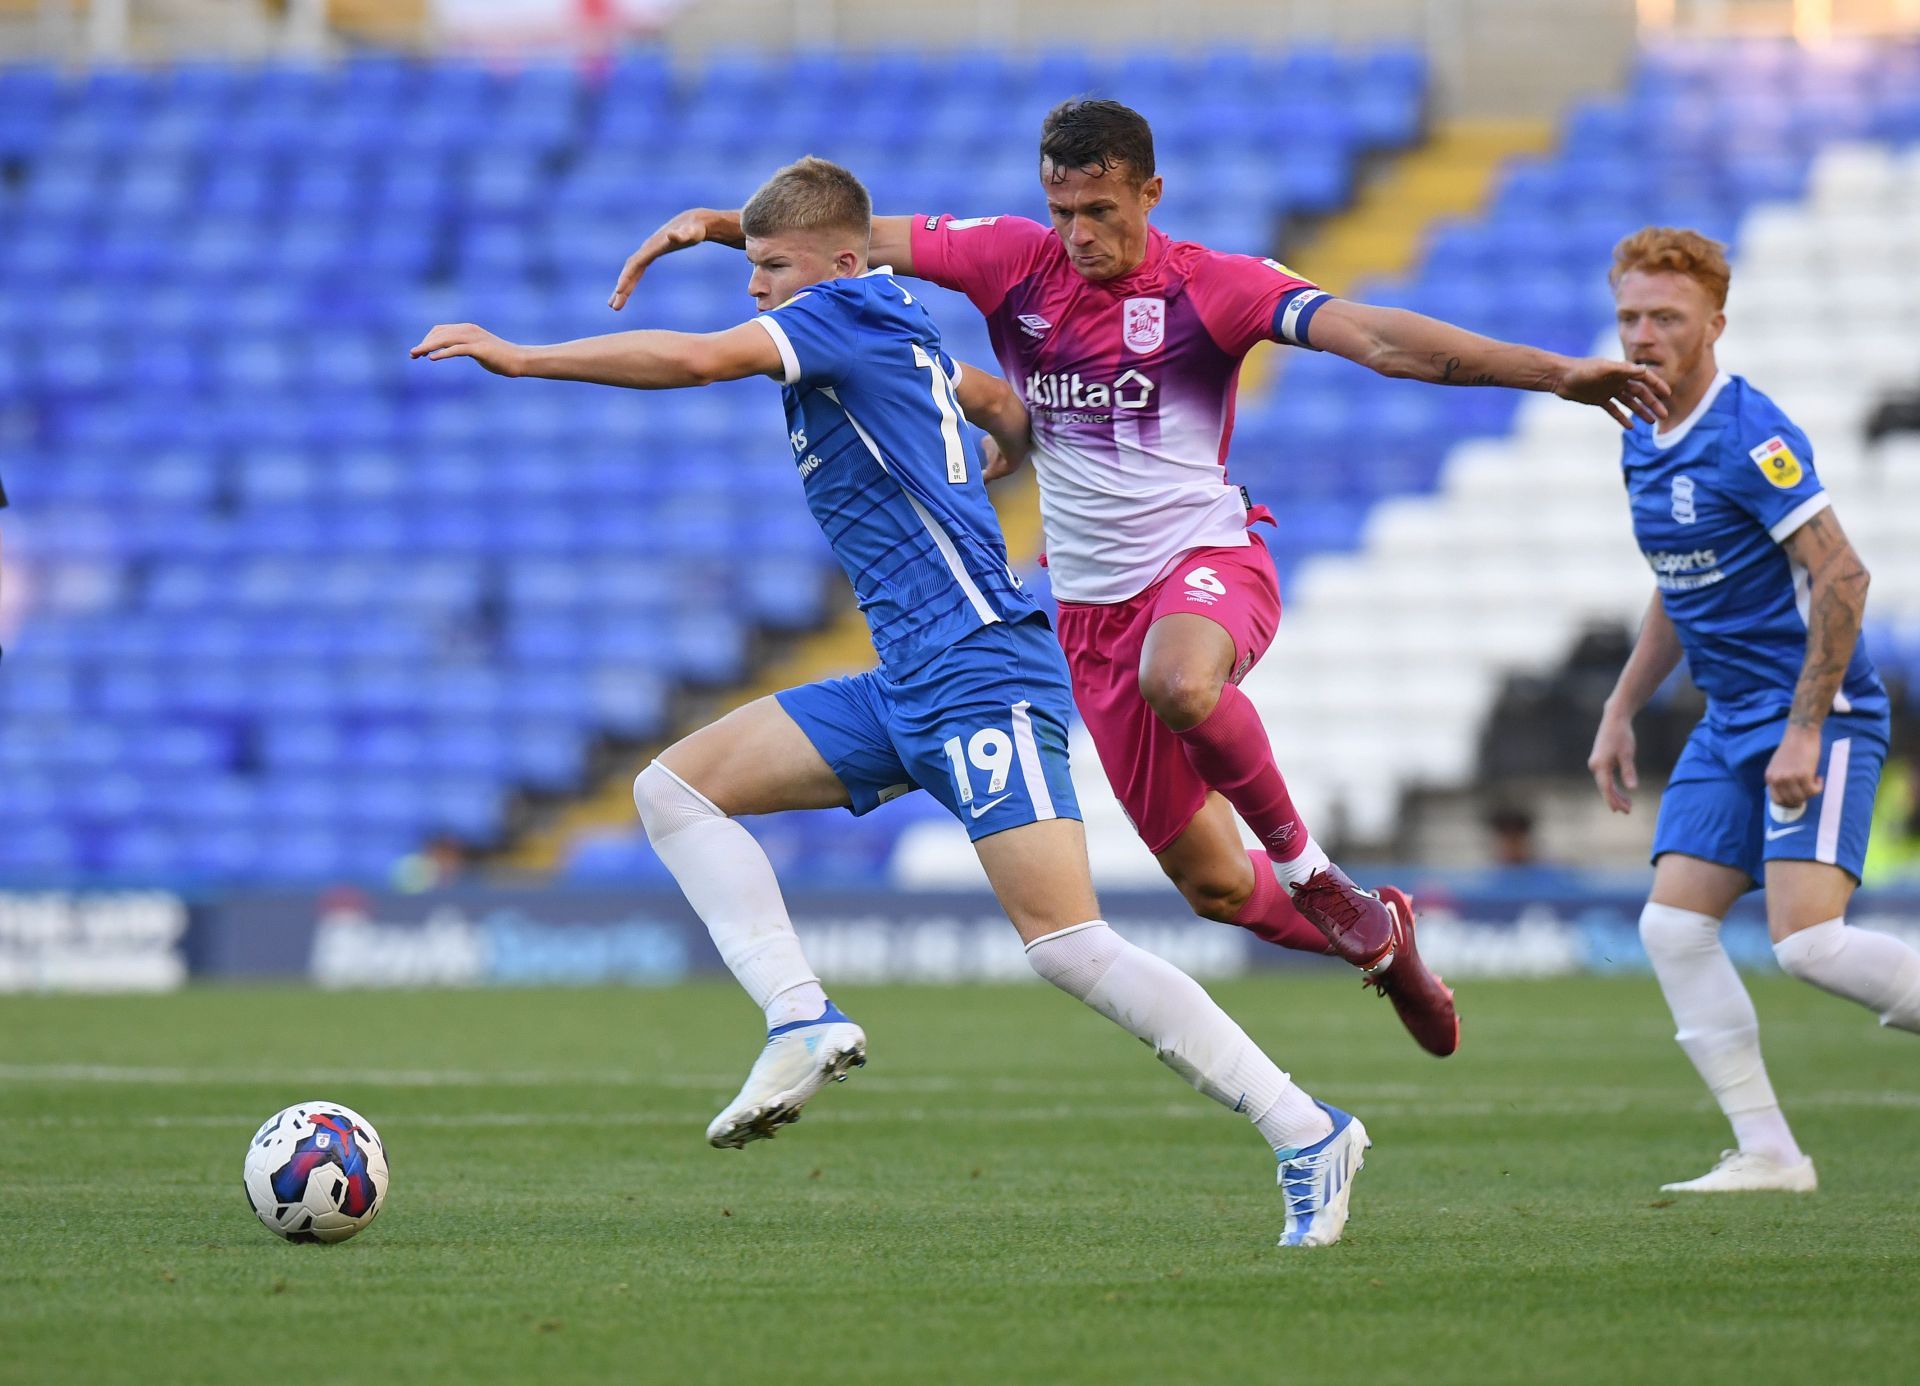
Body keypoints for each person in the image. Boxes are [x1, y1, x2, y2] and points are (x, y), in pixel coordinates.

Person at [415, 157, 1371, 1247]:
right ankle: (801, 1017)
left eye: (770, 265)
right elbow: (995, 397)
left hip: (980, 671)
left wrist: (520, 355)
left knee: (1066, 945)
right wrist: (1004, 450)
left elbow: (691, 360)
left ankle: (1306, 1128)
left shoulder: (832, 312)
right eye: (754, 262)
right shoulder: (892, 319)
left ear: (837, 262)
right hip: (906, 678)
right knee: (674, 789)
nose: (754, 284)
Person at [609, 100, 1669, 1059]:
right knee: (1211, 887)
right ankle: (1386, 943)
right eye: (1062, 207)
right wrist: (711, 224)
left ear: (1150, 193)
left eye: (1101, 207)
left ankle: (1318, 876)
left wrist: (1559, 371)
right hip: (1089, 619)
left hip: (1209, 566)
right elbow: (842, 246)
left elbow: (1383, 341)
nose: (1079, 232)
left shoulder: (1219, 287)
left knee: (1184, 679)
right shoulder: (1011, 265)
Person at [1587, 227, 1920, 1193]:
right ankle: (1771, 1153)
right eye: (1631, 317)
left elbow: (1844, 575)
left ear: (1715, 324)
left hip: (1819, 714)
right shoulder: (1637, 430)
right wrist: (1620, 705)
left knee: (1808, 943)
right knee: (1671, 929)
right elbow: (1677, 584)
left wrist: (1807, 727)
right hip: (1727, 718)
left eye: (1667, 318)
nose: (1644, 335)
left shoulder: (1750, 436)